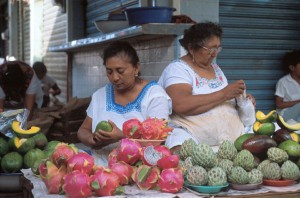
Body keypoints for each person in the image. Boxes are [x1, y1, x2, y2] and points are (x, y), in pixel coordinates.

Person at [158, 22, 256, 151]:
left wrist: (239, 101)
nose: (215, 53)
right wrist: (225, 93)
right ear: (192, 48)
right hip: (196, 144)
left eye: (218, 48)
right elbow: (181, 104)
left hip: (229, 145)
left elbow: (220, 101)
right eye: (210, 49)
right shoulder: (177, 69)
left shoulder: (216, 68)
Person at [77, 41, 172, 166]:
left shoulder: (154, 95)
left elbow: (159, 141)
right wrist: (92, 140)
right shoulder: (100, 95)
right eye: (109, 71)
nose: (115, 77)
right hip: (100, 169)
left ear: (136, 67)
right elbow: (83, 130)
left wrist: (121, 136)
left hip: (140, 170)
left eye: (120, 71)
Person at [275, 50, 300, 123]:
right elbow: (278, 104)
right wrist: (298, 102)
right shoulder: (283, 82)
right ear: (292, 67)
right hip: (285, 116)